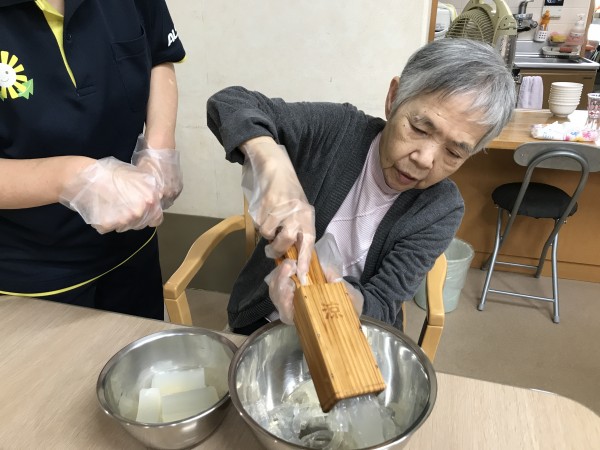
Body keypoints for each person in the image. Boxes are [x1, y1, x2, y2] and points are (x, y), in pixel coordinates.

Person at [207, 38, 516, 335]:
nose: (425, 159)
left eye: (454, 153)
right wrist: (272, 163)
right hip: (260, 318)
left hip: (349, 332)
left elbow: (383, 303)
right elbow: (229, 102)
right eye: (420, 128)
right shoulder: (338, 131)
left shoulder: (440, 208)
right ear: (393, 98)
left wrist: (337, 299)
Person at [0, 0, 185, 319]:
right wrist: (71, 178)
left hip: (132, 242)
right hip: (30, 274)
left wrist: (159, 146)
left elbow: (159, 54)